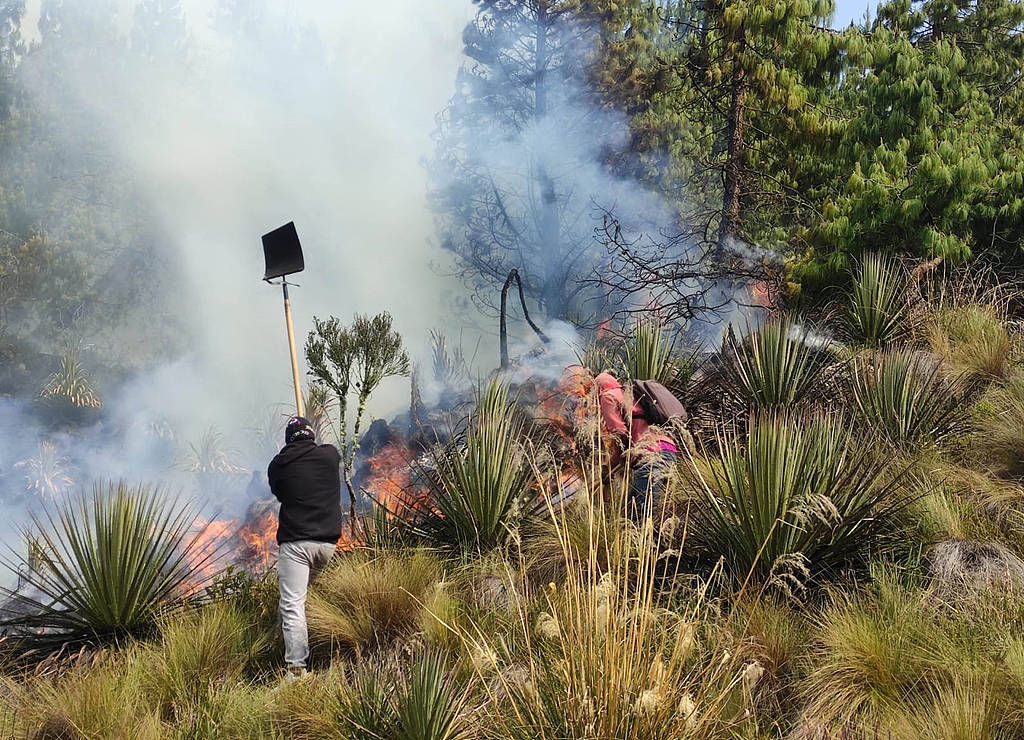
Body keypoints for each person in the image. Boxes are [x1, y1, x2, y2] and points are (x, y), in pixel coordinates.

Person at [267, 415, 342, 680]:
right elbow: (326, 451)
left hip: (297, 546)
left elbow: (279, 493)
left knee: (292, 604)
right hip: (328, 545)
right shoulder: (330, 456)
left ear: (287, 441)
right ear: (312, 435)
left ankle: (297, 671)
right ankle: (287, 645)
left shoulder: (278, 466)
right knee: (304, 598)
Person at [594, 371, 679, 516]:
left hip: (650, 455)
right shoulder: (631, 394)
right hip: (668, 450)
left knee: (641, 515)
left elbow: (620, 435)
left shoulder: (608, 396)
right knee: (632, 512)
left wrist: (608, 468)